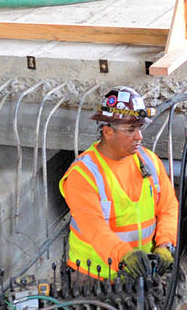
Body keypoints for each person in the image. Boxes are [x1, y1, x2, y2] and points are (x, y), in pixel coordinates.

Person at [59, 87, 179, 280]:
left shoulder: (149, 161)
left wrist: (165, 245)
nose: (139, 136)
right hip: (95, 276)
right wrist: (124, 255)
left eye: (139, 128)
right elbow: (93, 228)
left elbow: (169, 207)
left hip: (142, 270)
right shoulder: (83, 175)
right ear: (108, 132)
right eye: (131, 130)